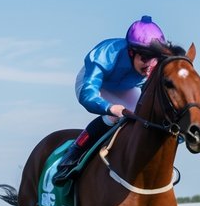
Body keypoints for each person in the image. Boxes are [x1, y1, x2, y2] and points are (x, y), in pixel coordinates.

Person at [52, 15, 170, 185]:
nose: (150, 64)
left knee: (143, 118)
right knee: (117, 115)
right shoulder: (107, 53)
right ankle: (74, 153)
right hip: (93, 85)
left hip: (125, 88)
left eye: (155, 58)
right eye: (144, 58)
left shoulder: (155, 63)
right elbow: (88, 95)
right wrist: (110, 108)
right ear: (131, 52)